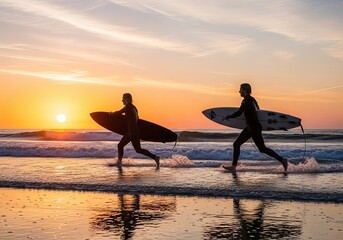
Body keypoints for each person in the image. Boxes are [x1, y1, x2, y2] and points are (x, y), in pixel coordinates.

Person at [222, 83, 288, 172]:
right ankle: (233, 167)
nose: (239, 91)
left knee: (262, 148)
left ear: (245, 90)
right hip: (251, 128)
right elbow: (259, 111)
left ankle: (282, 160)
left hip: (254, 128)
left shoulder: (246, 101)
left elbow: (239, 112)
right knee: (236, 144)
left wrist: (228, 116)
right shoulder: (253, 100)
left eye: (240, 89)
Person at [110, 93, 160, 168]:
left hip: (132, 132)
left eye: (123, 98)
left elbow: (119, 112)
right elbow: (136, 120)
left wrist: (111, 113)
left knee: (137, 149)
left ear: (126, 99)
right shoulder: (134, 108)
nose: (122, 100)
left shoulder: (128, 107)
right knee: (122, 146)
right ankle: (155, 157)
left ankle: (155, 157)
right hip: (133, 131)